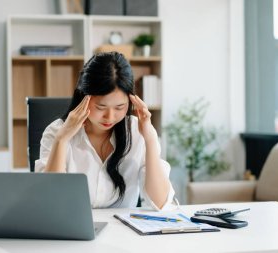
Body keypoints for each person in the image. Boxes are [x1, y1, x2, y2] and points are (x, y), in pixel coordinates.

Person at [35, 52, 175, 210]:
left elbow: (160, 202)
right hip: (73, 230)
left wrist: (149, 139)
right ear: (83, 96)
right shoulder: (56, 132)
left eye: (120, 107)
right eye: (101, 107)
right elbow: (51, 201)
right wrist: (61, 140)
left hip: (124, 232)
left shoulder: (137, 132)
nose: (110, 116)